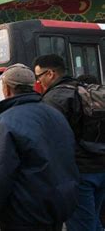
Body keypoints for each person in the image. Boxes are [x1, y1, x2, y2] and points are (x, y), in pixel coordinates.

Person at [0, 64, 80, 231]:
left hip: (24, 215)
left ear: (7, 89)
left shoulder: (5, 122)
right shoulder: (55, 114)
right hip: (58, 207)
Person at [33, 55, 105, 231]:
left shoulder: (53, 99)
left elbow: (50, 144)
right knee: (95, 221)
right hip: (100, 166)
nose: (38, 81)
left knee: (82, 225)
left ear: (50, 73)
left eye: (39, 76)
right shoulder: (83, 88)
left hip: (78, 174)